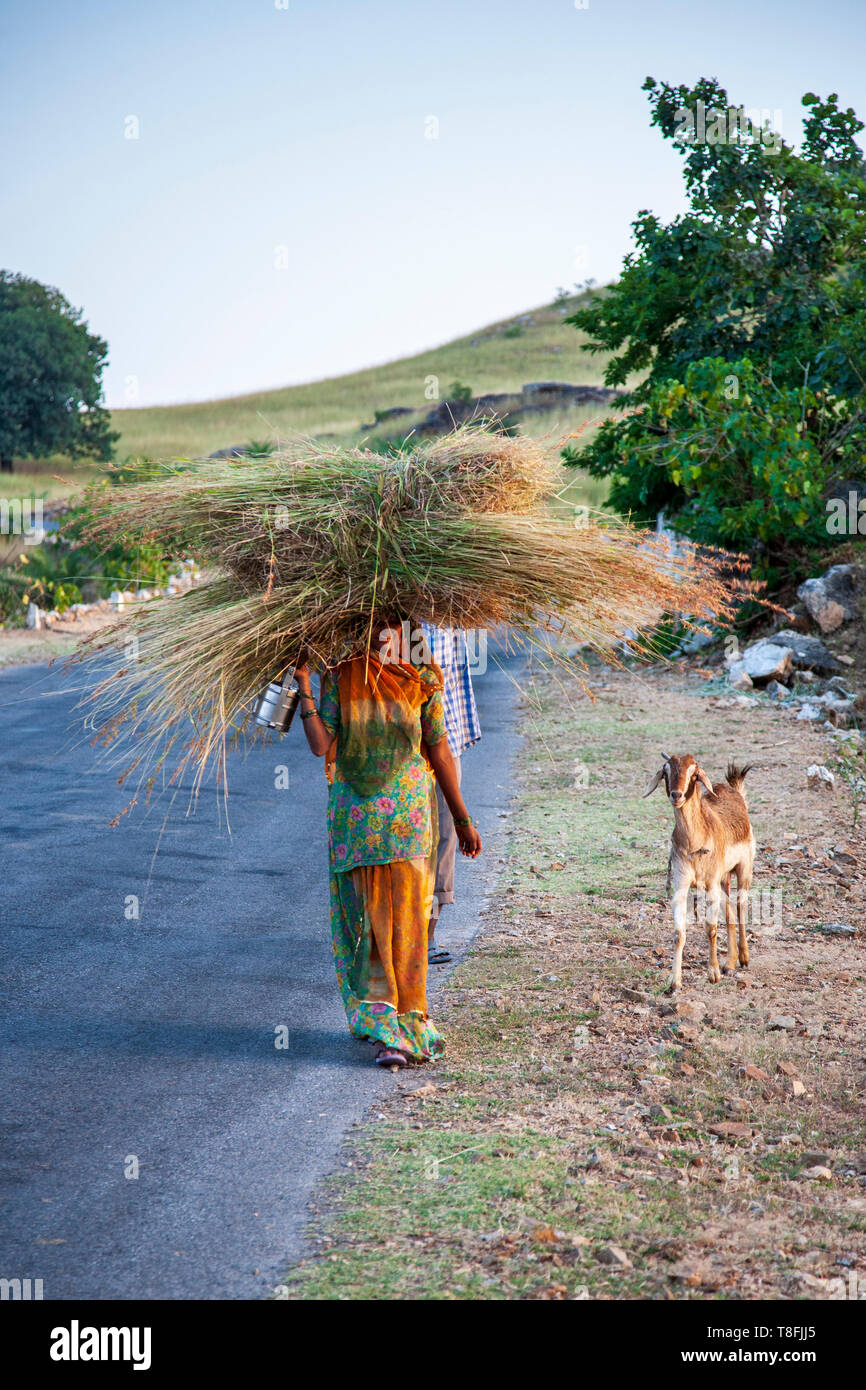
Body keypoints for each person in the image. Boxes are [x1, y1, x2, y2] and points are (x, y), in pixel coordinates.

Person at [293, 626, 482, 1068]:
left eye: (392, 631)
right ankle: (385, 1023)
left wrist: (462, 817)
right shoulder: (342, 674)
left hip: (407, 822)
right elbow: (323, 744)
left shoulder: (423, 678)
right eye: (376, 631)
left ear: (407, 634)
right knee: (374, 924)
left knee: (408, 926)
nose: (383, 639)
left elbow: (440, 752)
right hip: (360, 824)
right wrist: (304, 686)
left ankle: (400, 1024)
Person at [419, 623, 482, 965]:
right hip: (402, 752)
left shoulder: (448, 618)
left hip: (445, 743)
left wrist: (462, 820)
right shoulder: (392, 623)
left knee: (442, 842)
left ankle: (426, 936)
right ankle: (396, 935)